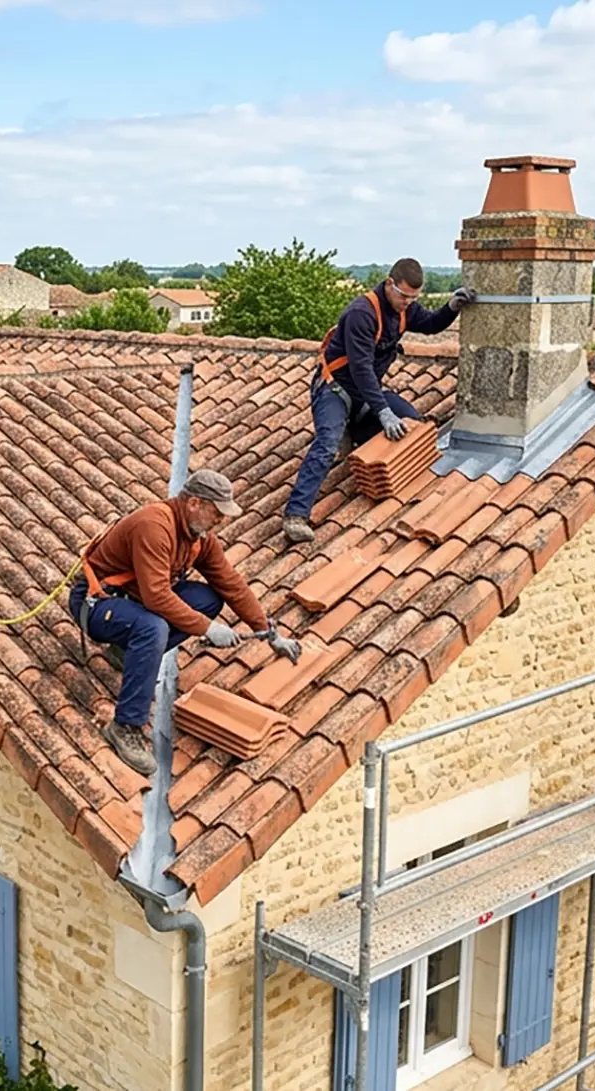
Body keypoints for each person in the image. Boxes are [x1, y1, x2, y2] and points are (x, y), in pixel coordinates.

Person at [68, 469, 302, 776]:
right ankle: (125, 726)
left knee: (210, 598)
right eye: (216, 512)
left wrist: (268, 632)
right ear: (194, 503)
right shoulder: (155, 526)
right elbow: (156, 598)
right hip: (97, 603)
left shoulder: (198, 537)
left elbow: (230, 582)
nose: (220, 520)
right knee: (154, 626)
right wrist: (208, 628)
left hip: (130, 601)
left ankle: (125, 653)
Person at [280, 258, 478, 544]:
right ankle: (296, 515)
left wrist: (451, 308)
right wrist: (383, 412)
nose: (408, 303)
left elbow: (431, 324)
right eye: (404, 296)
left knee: (412, 424)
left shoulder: (404, 310)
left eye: (413, 298)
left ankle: (358, 432)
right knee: (327, 444)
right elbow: (360, 369)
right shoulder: (362, 313)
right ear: (389, 284)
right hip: (335, 390)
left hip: (366, 395)